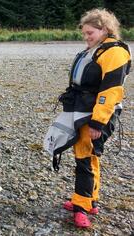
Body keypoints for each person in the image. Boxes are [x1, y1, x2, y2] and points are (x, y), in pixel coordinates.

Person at [50, 9, 131, 228]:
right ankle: (89, 200)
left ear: (104, 29)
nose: (87, 37)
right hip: (82, 108)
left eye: (90, 33)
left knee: (85, 157)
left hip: (96, 114)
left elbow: (111, 91)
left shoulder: (114, 53)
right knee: (86, 154)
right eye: (85, 34)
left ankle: (82, 207)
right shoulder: (97, 49)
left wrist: (98, 122)